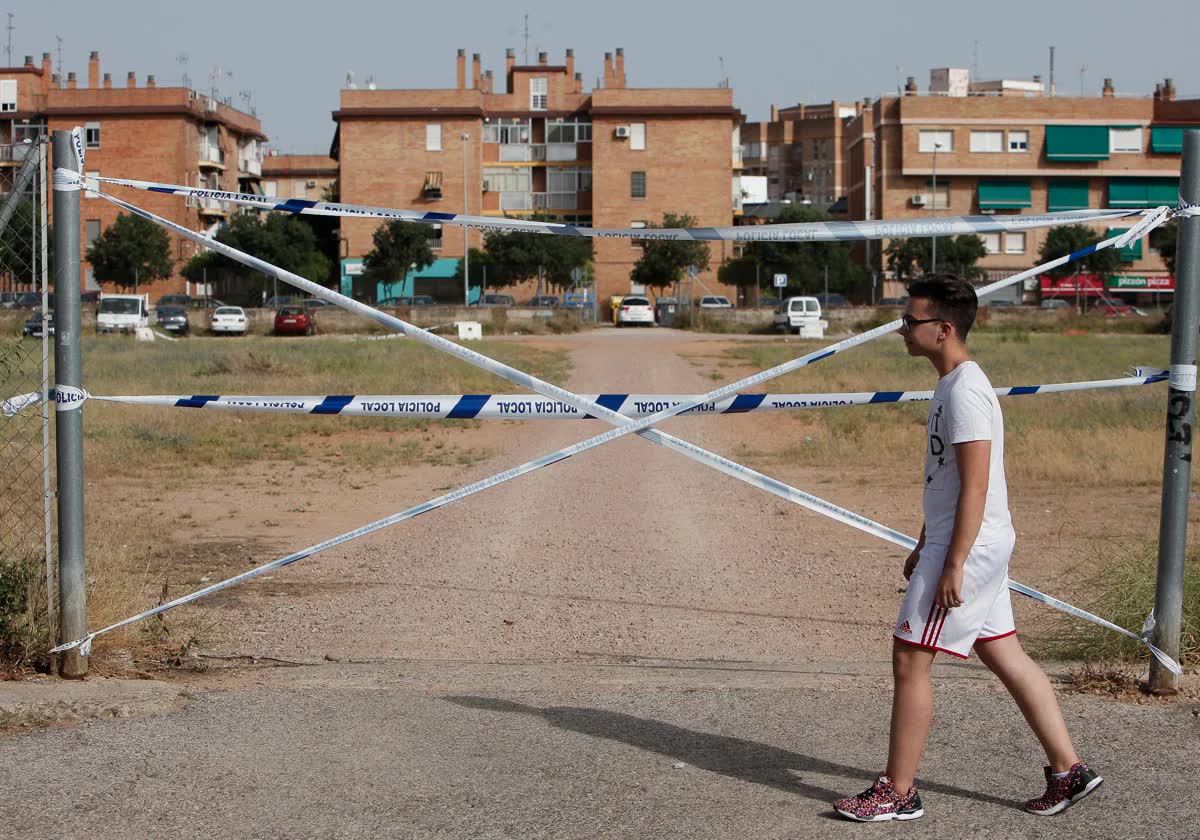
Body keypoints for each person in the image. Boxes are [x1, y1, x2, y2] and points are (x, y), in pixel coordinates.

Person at [832, 275, 1102, 822]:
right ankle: (1068, 770)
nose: (903, 329)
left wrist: (951, 560)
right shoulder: (950, 384)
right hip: (963, 541)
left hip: (969, 549)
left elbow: (977, 484)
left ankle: (898, 792)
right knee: (1003, 651)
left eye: (911, 320)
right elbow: (947, 480)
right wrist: (924, 540)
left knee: (911, 657)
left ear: (944, 328)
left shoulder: (967, 391)